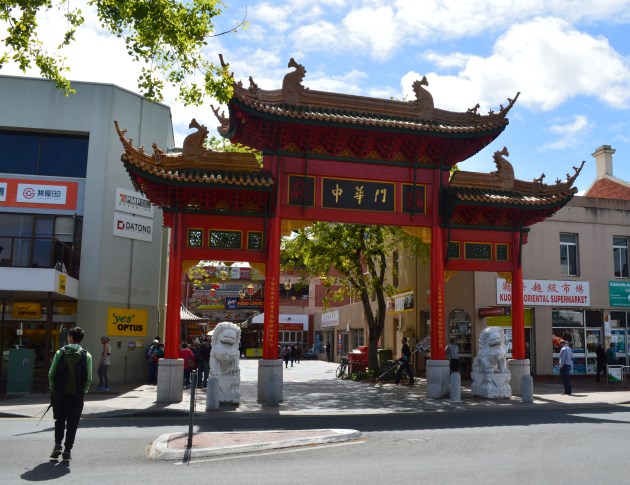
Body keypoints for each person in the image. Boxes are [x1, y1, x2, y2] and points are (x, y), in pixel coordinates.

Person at [48, 326, 93, 462]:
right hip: (77, 396)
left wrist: (54, 389)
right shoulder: (87, 355)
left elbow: (51, 373)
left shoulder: (60, 353)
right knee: (72, 424)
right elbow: (89, 378)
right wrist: (83, 391)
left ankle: (57, 445)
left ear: (71, 337)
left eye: (68, 335)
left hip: (60, 394)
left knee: (59, 420)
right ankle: (67, 451)